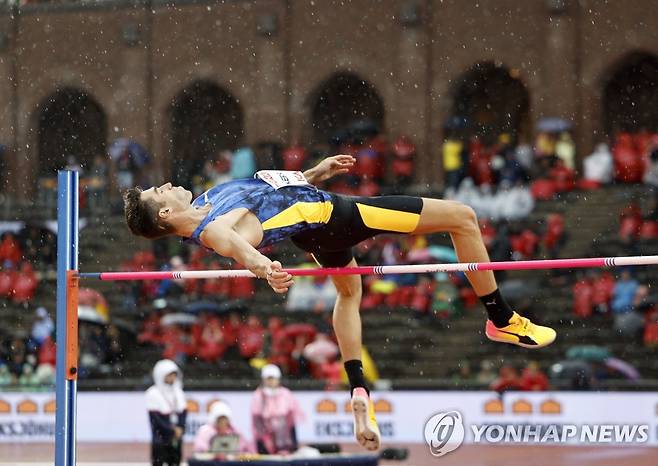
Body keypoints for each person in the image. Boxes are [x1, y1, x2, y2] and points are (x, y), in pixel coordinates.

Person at [124, 154, 556, 451]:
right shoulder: (212, 227)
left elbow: (272, 193)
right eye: (158, 192)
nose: (165, 185)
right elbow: (236, 245)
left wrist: (314, 172)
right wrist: (264, 268)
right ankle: (501, 318)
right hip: (338, 217)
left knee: (349, 292)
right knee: (462, 217)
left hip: (311, 227)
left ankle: (358, 388)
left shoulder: (205, 203)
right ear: (164, 216)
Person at [251, 364, 304, 455]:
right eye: (269, 378)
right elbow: (257, 419)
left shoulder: (285, 393)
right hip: (265, 436)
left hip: (285, 434)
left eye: (273, 378)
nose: (271, 381)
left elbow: (292, 417)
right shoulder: (258, 395)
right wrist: (266, 438)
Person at [145, 359, 187, 466]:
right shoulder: (153, 393)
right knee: (158, 461)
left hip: (176, 436)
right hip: (160, 437)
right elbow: (156, 419)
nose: (172, 378)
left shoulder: (178, 391)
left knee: (175, 461)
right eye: (169, 375)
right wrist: (172, 429)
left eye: (174, 375)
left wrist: (180, 428)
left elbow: (183, 413)